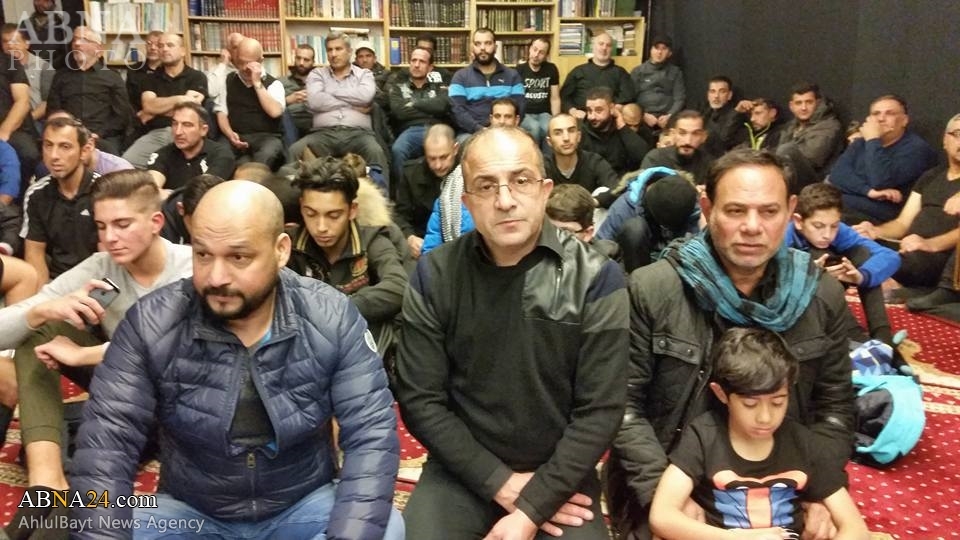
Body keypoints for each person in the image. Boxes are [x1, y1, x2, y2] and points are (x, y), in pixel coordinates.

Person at [69, 180, 404, 539]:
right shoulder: (152, 323)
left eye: (238, 257)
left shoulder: (330, 316)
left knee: (384, 527)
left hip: (301, 504)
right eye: (203, 255)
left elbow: (371, 434)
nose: (216, 277)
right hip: (191, 510)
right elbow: (107, 444)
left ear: (281, 250)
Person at [606, 148, 858, 539]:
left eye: (769, 212)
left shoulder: (820, 294)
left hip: (782, 485)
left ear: (790, 211)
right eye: (736, 211)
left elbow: (835, 407)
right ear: (708, 209)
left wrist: (819, 489)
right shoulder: (653, 289)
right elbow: (624, 407)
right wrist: (663, 493)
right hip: (672, 478)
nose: (752, 227)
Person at [396, 126, 629, 540]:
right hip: (461, 468)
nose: (505, 201)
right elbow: (420, 400)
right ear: (467, 202)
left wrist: (533, 506)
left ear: (544, 190)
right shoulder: (434, 274)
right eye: (486, 186)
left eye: (521, 181)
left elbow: (600, 411)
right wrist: (499, 483)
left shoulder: (598, 278)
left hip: (559, 473)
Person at [0, 171, 193, 533]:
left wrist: (86, 355)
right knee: (41, 330)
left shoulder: (191, 266)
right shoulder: (102, 267)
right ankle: (47, 481)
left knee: (92, 501)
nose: (110, 238)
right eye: (102, 226)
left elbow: (177, 349)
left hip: (178, 405)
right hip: (119, 391)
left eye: (122, 224)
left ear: (156, 222)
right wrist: (41, 310)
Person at [649, 327, 869, 540]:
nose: (765, 417)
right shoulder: (704, 437)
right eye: (750, 404)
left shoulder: (802, 441)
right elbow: (662, 517)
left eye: (777, 402)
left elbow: (855, 528)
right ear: (721, 394)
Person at [286, 156, 407, 362]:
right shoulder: (290, 245)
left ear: (352, 210)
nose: (321, 227)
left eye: (333, 216)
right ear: (301, 207)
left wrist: (337, 308)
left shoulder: (371, 240)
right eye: (311, 214)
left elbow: (398, 285)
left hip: (362, 349)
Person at [852, 113, 960, 290]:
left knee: (910, 261)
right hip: (908, 246)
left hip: (940, 255)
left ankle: (883, 283)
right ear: (945, 140)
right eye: (958, 134)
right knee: (854, 240)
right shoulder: (931, 176)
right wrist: (875, 232)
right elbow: (902, 223)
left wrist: (930, 244)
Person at [787, 183, 900, 344]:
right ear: (798, 221)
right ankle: (855, 336)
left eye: (834, 226)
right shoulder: (783, 236)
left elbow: (890, 256)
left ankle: (883, 336)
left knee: (863, 253)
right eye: (818, 226)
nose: (827, 235)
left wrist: (862, 276)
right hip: (794, 301)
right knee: (817, 255)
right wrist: (809, 274)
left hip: (834, 282)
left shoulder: (839, 231)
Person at [289, 32, 391, 189]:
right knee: (294, 150)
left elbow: (365, 96)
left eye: (338, 49)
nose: (333, 54)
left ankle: (382, 202)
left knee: (376, 151)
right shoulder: (317, 74)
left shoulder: (364, 74)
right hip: (323, 134)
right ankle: (294, 200)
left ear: (349, 52)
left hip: (358, 134)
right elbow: (315, 101)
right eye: (329, 50)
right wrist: (352, 101)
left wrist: (328, 91)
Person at [829, 95, 938, 224]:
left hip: (884, 214)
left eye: (889, 113)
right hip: (851, 201)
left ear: (904, 120)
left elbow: (880, 181)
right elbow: (837, 175)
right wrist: (868, 191)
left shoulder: (917, 149)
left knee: (825, 212)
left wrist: (873, 139)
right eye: (876, 114)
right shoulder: (861, 142)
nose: (881, 119)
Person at [20, 116, 99, 284]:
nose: (54, 155)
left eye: (65, 147)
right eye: (48, 145)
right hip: (56, 283)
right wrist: (44, 296)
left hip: (98, 282)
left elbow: (110, 257)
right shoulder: (36, 194)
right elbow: (35, 254)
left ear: (84, 151)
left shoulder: (105, 192)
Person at [122, 33, 209, 169]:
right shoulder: (149, 79)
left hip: (188, 131)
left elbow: (190, 110)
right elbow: (149, 105)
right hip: (158, 132)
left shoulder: (197, 77)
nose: (164, 49)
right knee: (126, 164)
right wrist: (181, 98)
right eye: (161, 46)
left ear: (182, 51)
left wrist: (156, 111)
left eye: (170, 45)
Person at [46, 26, 132, 154]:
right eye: (75, 40)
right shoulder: (60, 76)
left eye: (84, 40)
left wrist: (99, 133)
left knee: (109, 158)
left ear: (98, 49)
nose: (77, 43)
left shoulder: (112, 77)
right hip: (68, 135)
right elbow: (53, 111)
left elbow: (121, 115)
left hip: (103, 137)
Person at [597, 170, 701, 273]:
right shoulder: (624, 207)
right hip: (634, 265)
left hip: (675, 261)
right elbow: (600, 250)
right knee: (634, 229)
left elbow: (698, 242)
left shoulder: (688, 199)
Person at [215, 38, 286, 170]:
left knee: (267, 154)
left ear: (261, 60)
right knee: (220, 153)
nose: (244, 68)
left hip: (266, 137)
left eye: (249, 63)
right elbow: (221, 112)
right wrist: (230, 134)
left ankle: (253, 182)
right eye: (240, 62)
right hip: (235, 135)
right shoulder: (227, 80)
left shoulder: (274, 84)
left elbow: (275, 112)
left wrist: (257, 83)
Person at [386, 46, 450, 190]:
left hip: (437, 128)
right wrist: (430, 108)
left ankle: (448, 192)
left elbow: (442, 106)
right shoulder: (398, 85)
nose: (416, 65)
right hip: (410, 130)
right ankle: (404, 194)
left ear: (430, 67)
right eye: (413, 60)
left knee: (454, 149)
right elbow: (399, 111)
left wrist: (413, 103)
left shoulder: (439, 84)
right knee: (398, 150)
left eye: (422, 61)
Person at [396, 124, 458, 259]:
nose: (438, 165)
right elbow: (400, 216)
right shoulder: (411, 175)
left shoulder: (468, 173)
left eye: (444, 157)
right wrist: (409, 237)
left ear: (455, 149)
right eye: (432, 158)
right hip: (423, 247)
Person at [448, 28, 525, 137]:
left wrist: (504, 131)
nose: (482, 48)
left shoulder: (513, 75)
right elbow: (457, 111)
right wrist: (479, 129)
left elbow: (520, 107)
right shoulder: (460, 77)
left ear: (495, 47)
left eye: (488, 43)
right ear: (472, 48)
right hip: (471, 132)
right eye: (478, 44)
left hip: (506, 130)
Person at [146, 101, 236, 190]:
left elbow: (201, 192)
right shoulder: (162, 154)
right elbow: (152, 190)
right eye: (175, 124)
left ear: (203, 130)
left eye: (187, 125)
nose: (178, 132)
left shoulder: (221, 155)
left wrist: (169, 194)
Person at [543, 113, 620, 208]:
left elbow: (617, 188)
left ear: (579, 136)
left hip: (588, 213)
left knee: (603, 191)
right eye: (558, 133)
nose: (566, 138)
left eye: (571, 131)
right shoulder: (543, 166)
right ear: (549, 141)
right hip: (553, 214)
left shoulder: (593, 161)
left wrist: (592, 203)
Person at [776, 82, 842, 192]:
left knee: (787, 150)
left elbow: (812, 158)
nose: (804, 108)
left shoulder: (829, 125)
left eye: (809, 102)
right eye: (798, 103)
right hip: (789, 176)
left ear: (818, 103)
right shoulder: (790, 126)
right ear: (791, 106)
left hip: (817, 182)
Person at [560, 32, 635, 119]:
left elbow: (628, 97)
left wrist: (616, 108)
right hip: (582, 117)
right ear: (593, 47)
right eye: (601, 44)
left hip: (610, 117)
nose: (604, 48)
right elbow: (564, 97)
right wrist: (573, 111)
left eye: (608, 45)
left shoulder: (620, 73)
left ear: (611, 49)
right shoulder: (578, 71)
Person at [579, 87, 650, 176]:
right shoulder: (580, 132)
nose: (592, 116)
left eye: (598, 110)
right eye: (589, 110)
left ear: (611, 108)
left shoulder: (622, 129)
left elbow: (644, 157)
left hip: (622, 181)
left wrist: (622, 126)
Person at [640, 109, 713, 183]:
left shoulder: (709, 164)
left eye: (695, 134)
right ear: (673, 134)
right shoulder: (655, 159)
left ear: (704, 137)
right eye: (682, 133)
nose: (688, 141)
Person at [2, 23, 54, 123]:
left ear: (27, 43)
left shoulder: (43, 67)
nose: (10, 46)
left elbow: (48, 102)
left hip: (35, 121)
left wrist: (27, 121)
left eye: (15, 41)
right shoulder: (2, 68)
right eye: (5, 41)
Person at [630, 35, 684, 130]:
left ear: (669, 53)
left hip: (668, 118)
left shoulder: (676, 72)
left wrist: (669, 115)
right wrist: (643, 115)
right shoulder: (638, 71)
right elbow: (631, 98)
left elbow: (679, 98)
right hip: (642, 117)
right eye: (656, 48)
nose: (659, 52)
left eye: (664, 49)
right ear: (651, 50)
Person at [516, 37, 561, 149]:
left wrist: (557, 119)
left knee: (548, 128)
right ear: (530, 49)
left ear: (546, 55)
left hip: (544, 113)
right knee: (534, 128)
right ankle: (534, 157)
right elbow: (516, 98)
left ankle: (547, 159)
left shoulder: (551, 69)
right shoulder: (519, 69)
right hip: (525, 113)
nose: (536, 55)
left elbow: (555, 98)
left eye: (541, 52)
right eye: (534, 49)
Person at [159, 173, 226, 244]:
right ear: (181, 209)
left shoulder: (230, 210)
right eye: (198, 226)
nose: (207, 235)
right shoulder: (162, 225)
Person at [280, 43, 316, 140]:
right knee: (283, 114)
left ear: (313, 62)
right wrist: (287, 100)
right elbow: (271, 108)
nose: (301, 63)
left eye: (306, 60)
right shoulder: (281, 82)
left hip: (313, 123)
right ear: (294, 58)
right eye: (298, 58)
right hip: (289, 123)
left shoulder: (320, 83)